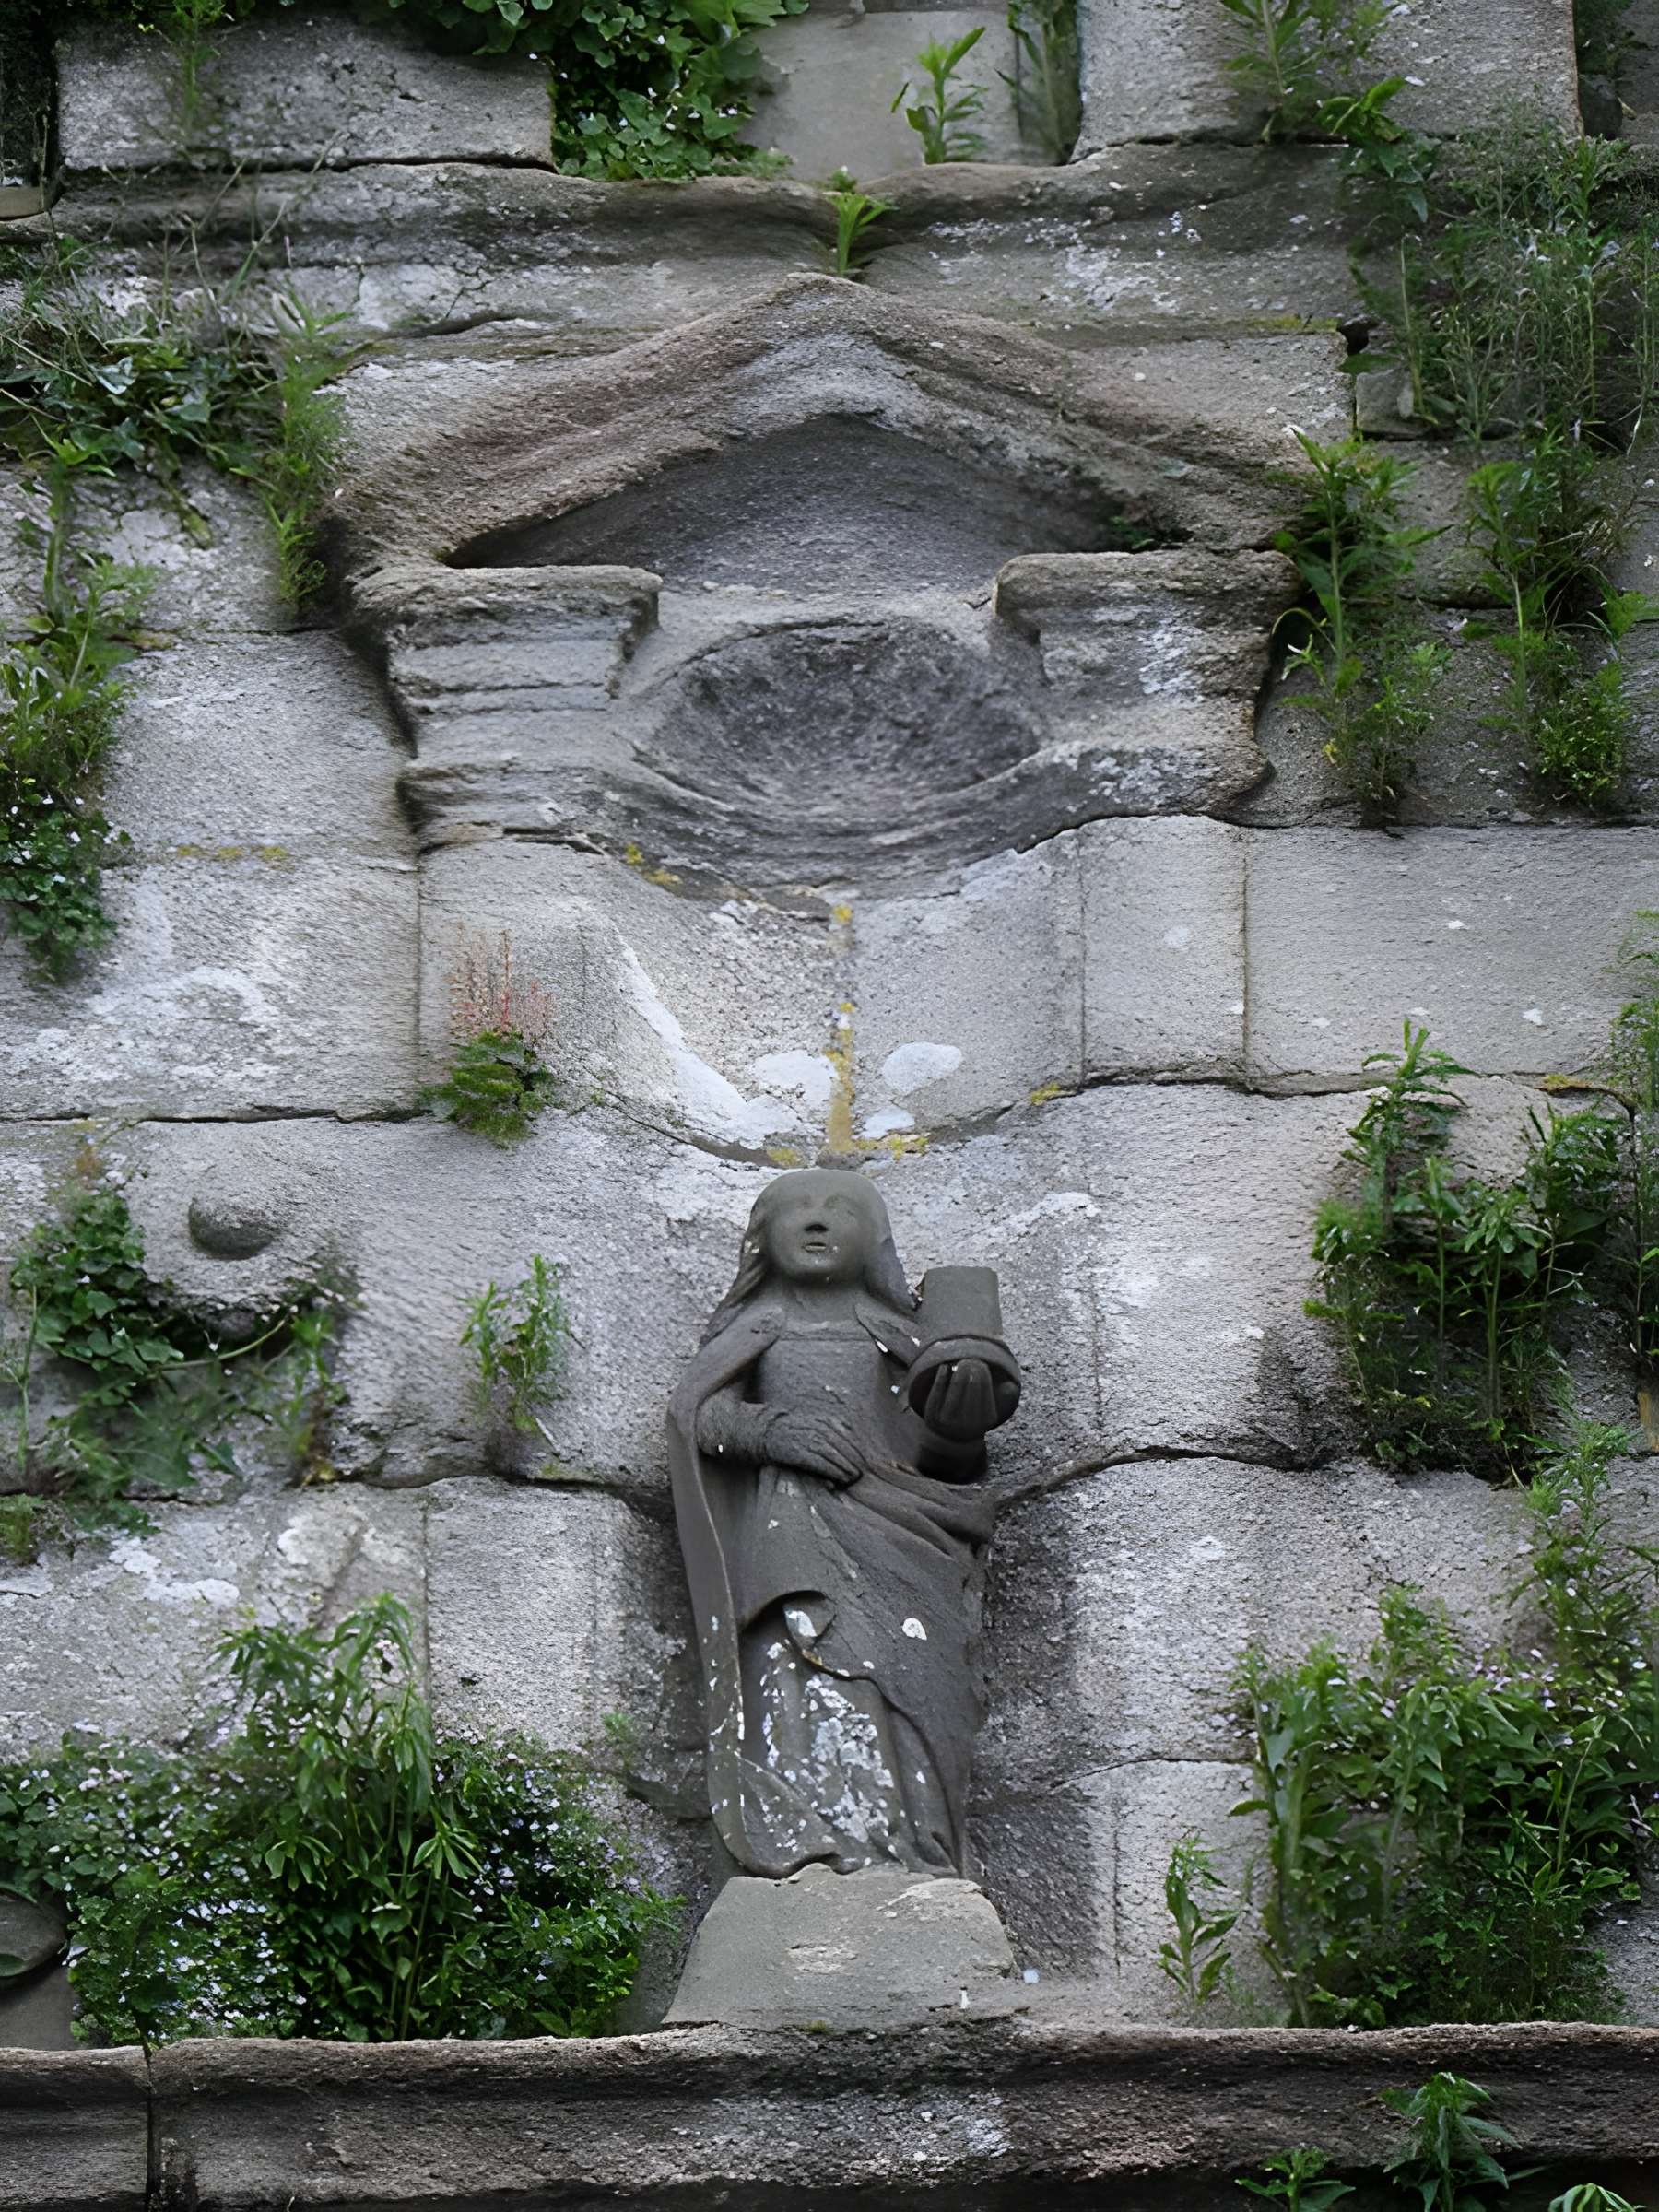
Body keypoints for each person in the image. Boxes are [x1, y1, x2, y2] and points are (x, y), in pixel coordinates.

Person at [666, 1168, 1019, 1879]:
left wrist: (958, 1428)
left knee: (918, 1681)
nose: (817, 1218)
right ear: (761, 1239)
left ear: (876, 1244)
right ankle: (813, 1850)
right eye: (796, 1208)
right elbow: (697, 1415)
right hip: (794, 1535)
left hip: (906, 1538)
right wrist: (770, 1432)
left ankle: (918, 1853)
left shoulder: (899, 1335)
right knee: (805, 1668)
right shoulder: (757, 1329)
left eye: (838, 1209)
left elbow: (945, 1462)